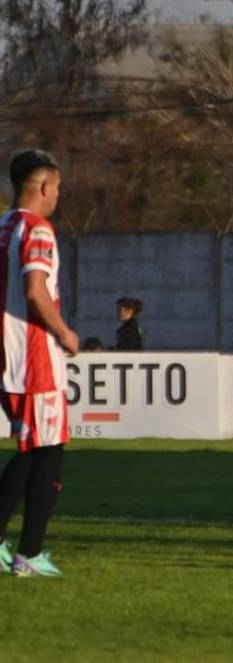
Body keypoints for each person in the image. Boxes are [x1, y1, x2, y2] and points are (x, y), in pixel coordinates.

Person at [0, 149, 79, 577]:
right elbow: (35, 290)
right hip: (33, 359)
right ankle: (29, 555)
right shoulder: (38, 230)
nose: (58, 195)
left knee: (33, 452)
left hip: (5, 360)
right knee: (47, 455)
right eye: (58, 187)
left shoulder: (1, 226)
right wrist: (64, 332)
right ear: (44, 186)